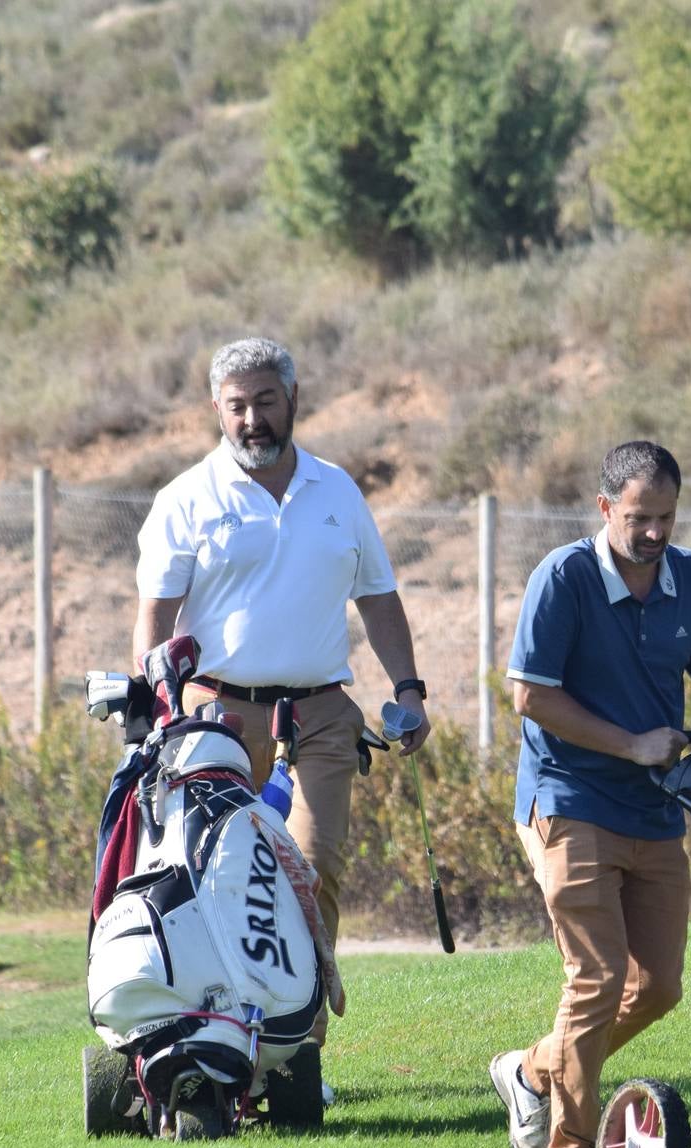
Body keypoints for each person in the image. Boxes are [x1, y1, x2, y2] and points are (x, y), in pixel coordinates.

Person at [133, 336, 431, 1098]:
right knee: (218, 877)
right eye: (236, 406)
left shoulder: (336, 492)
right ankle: (216, 1038)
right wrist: (163, 702)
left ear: (292, 398)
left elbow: (378, 599)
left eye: (265, 401)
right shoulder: (185, 499)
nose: (252, 419)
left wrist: (408, 688)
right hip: (217, 716)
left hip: (322, 712)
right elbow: (155, 622)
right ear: (216, 411)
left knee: (312, 869)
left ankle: (297, 1054)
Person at [488, 441, 691, 1148]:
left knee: (658, 985)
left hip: (654, 805)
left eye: (667, 516)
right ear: (605, 509)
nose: (655, 532)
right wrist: (632, 743)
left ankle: (532, 1069)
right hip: (566, 798)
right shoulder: (562, 577)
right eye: (639, 517)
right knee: (596, 977)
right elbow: (529, 696)